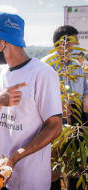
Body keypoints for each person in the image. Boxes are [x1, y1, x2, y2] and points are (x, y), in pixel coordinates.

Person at [0, 12, 62, 190]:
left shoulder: (43, 74)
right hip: (3, 173)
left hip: (32, 178)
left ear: (5, 41)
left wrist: (15, 157)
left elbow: (55, 126)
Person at [41, 25, 88, 190]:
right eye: (74, 42)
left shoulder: (76, 64)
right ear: (63, 43)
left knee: (75, 163)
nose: (77, 47)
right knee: (54, 164)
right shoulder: (47, 65)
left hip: (76, 118)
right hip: (54, 119)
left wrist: (85, 98)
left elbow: (85, 87)